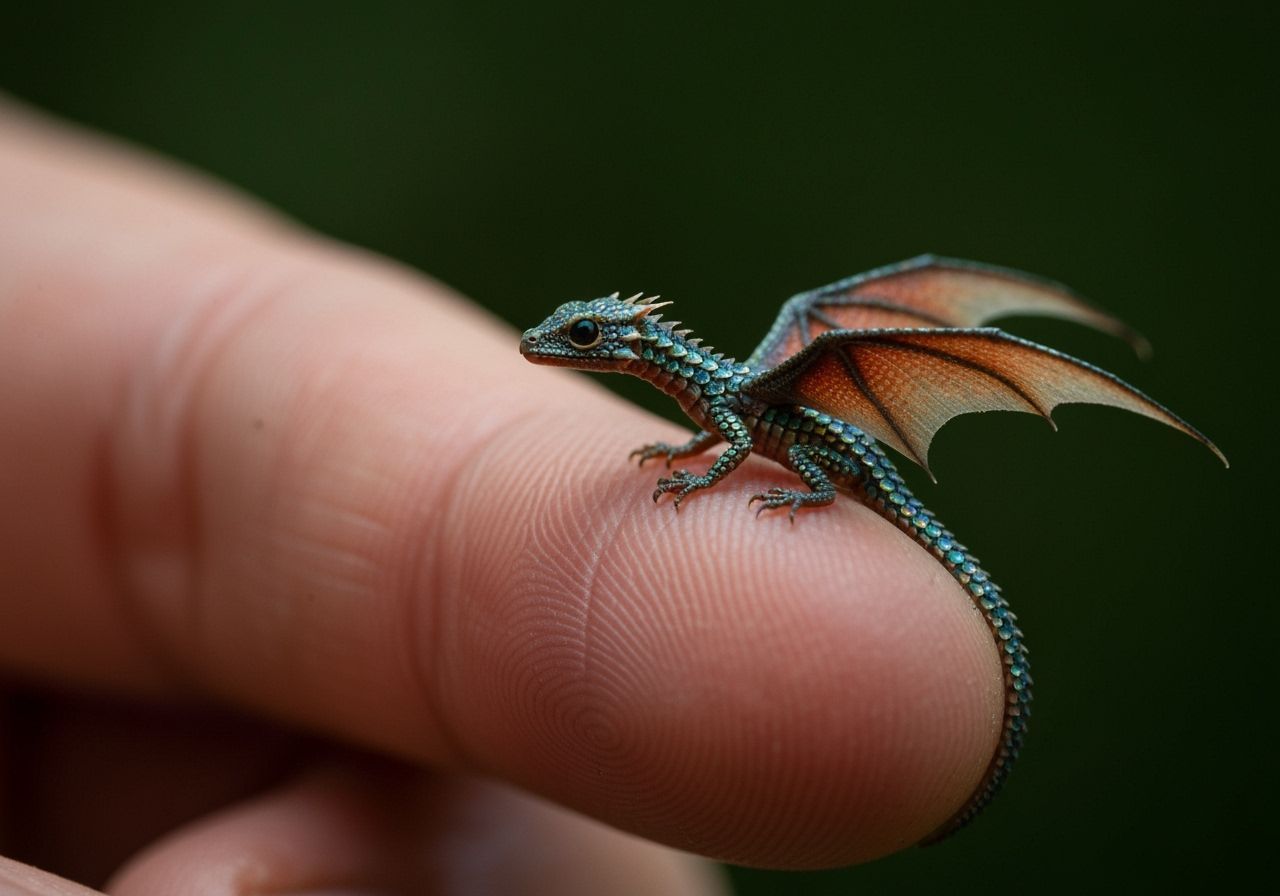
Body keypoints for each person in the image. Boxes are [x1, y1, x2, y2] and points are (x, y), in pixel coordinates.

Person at [0, 97, 1003, 895]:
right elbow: (721, 428)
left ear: (619, 346)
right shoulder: (696, 385)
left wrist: (725, 472)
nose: (555, 346)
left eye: (576, 339)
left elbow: (743, 434)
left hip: (841, 467)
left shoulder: (736, 386)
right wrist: (694, 451)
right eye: (569, 337)